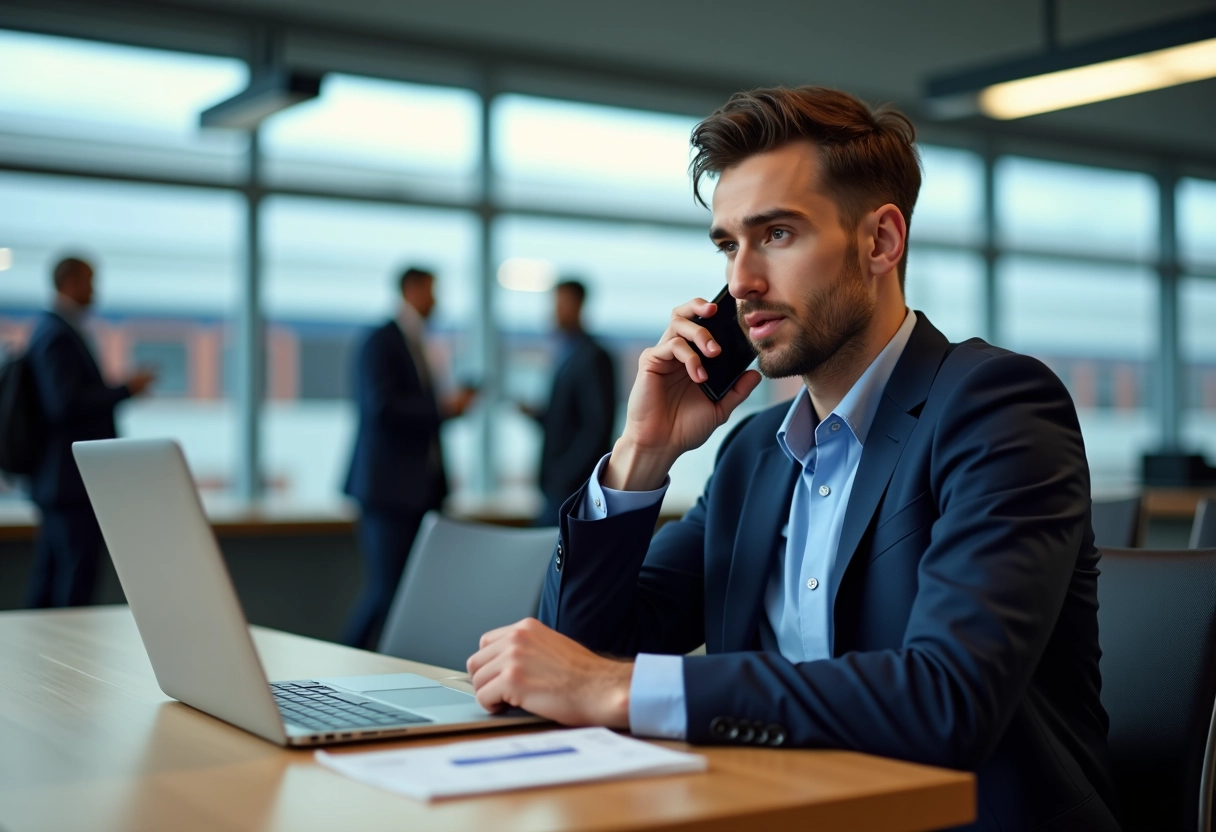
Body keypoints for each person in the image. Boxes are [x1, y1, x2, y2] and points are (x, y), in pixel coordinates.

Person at [466, 87, 1118, 830]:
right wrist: (642, 453)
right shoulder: (752, 455)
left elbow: (948, 700)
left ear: (880, 242)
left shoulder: (996, 405)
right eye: (727, 244)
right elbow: (580, 654)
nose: (741, 280)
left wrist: (621, 691)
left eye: (776, 234)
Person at [342, 266, 475, 650]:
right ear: (411, 290)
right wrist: (443, 407)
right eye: (432, 291)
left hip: (419, 490)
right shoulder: (381, 340)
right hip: (388, 491)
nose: (436, 301)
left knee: (407, 592)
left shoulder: (418, 343)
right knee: (387, 590)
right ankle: (343, 663)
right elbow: (381, 408)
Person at [25, 256, 155, 607]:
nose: (95, 290)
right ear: (69, 281)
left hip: (59, 482)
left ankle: (46, 659)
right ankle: (64, 662)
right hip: (69, 482)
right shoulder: (57, 333)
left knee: (54, 577)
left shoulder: (53, 329)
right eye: (90, 281)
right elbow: (64, 405)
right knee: (72, 582)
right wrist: (125, 389)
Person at [522, 279, 617, 526]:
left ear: (578, 305)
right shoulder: (567, 352)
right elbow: (568, 418)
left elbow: (597, 425)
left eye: (561, 303)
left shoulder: (594, 356)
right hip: (557, 483)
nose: (555, 310)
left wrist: (566, 474)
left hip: (573, 486)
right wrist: (539, 414)